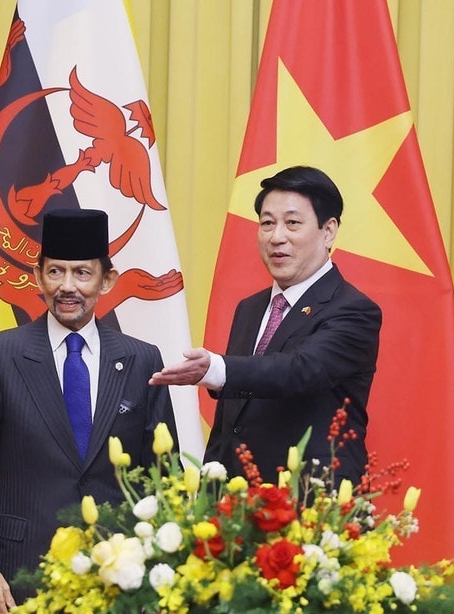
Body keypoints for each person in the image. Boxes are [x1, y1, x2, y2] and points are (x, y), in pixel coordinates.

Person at [0, 208, 177, 613]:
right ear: (38, 276)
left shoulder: (142, 360)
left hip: (119, 577)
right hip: (20, 574)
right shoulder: (0, 356)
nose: (66, 287)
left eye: (81, 273)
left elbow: (164, 478)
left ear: (107, 280)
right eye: (55, 272)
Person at [150, 165, 380, 487]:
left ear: (328, 231)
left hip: (309, 503)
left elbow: (300, 370)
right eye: (267, 223)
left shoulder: (354, 309)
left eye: (292, 223)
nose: (276, 237)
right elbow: (231, 421)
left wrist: (216, 369)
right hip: (236, 508)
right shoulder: (251, 308)